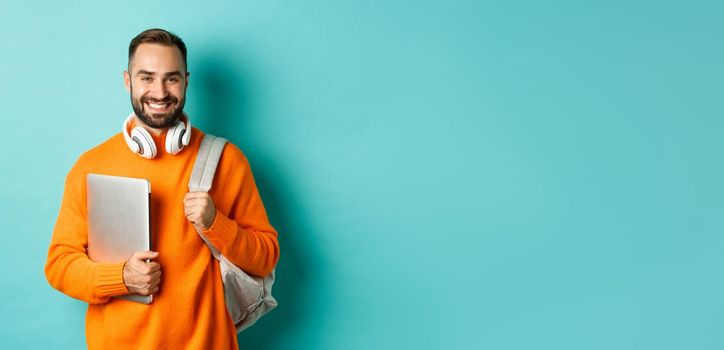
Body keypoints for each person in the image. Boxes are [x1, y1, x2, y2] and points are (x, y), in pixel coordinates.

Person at [44, 28, 280, 349]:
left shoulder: (226, 160)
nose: (159, 92)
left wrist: (216, 224)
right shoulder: (91, 165)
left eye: (171, 78)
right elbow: (60, 265)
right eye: (147, 78)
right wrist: (121, 278)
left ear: (186, 81)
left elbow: (266, 257)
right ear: (128, 81)